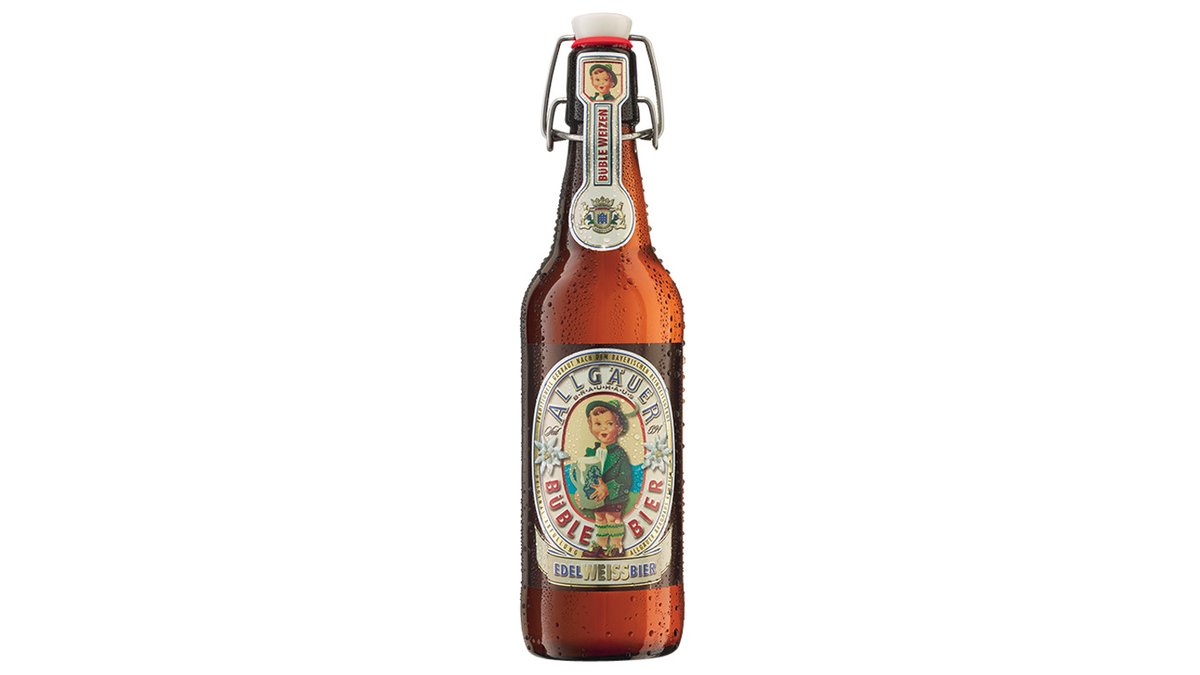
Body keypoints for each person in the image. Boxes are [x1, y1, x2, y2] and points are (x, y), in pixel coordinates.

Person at [569, 399, 634, 557]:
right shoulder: (591, 453)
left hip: (614, 496)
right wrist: (581, 491)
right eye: (598, 424)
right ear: (590, 426)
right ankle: (602, 545)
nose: (603, 428)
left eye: (609, 423)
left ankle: (617, 546)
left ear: (619, 427)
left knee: (612, 519)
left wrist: (608, 488)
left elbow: (625, 478)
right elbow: (582, 475)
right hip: (597, 497)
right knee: (600, 519)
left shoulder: (619, 455)